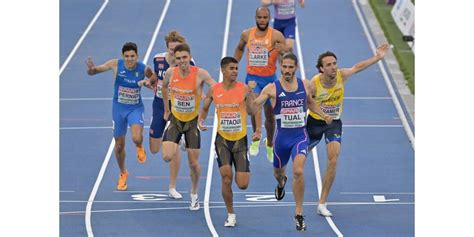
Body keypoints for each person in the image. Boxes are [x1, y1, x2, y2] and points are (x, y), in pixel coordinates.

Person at [248, 53, 329, 231]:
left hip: (300, 137)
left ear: (296, 68)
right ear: (280, 67)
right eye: (284, 67)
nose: (287, 70)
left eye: (290, 67)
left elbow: (311, 103)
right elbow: (252, 109)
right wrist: (248, 93)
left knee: (298, 171)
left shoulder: (306, 85)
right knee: (278, 173)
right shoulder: (271, 89)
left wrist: (323, 115)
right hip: (281, 140)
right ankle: (281, 182)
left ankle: (298, 214)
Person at [307, 44, 390, 217]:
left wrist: (377, 57)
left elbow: (357, 67)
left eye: (334, 63)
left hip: (334, 123)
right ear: (321, 68)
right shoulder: (313, 85)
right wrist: (320, 113)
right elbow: (307, 103)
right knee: (299, 156)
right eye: (328, 65)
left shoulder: (341, 76)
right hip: (314, 122)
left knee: (333, 159)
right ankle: (280, 174)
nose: (333, 67)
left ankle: (322, 203)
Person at [85, 42, 156, 191]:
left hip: (135, 108)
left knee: (136, 137)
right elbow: (95, 71)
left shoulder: (143, 68)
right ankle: (123, 173)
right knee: (119, 145)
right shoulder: (115, 64)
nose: (130, 59)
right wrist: (91, 69)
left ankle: (139, 145)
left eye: (132, 56)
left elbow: (154, 80)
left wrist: (147, 82)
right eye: (127, 56)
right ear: (123, 56)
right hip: (118, 109)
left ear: (137, 56)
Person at [198, 56, 254, 227]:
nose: (235, 72)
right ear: (222, 70)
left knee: (242, 184)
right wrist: (201, 120)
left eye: (237, 69)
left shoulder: (244, 89)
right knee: (226, 177)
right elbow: (206, 107)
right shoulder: (214, 90)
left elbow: (251, 111)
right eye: (232, 68)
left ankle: (234, 201)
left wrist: (250, 94)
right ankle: (231, 214)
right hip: (222, 140)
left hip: (240, 141)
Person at [161, 43, 216, 210]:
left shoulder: (200, 74)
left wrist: (205, 109)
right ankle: (180, 139)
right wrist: (166, 109)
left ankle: (194, 193)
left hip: (192, 123)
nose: (182, 61)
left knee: (193, 163)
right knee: (167, 156)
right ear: (175, 60)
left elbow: (215, 87)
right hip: (176, 120)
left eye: (184, 57)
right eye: (178, 58)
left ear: (190, 57)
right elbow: (163, 87)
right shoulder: (171, 72)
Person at [234, 6, 287, 163]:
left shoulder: (276, 35)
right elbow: (239, 48)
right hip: (253, 78)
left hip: (270, 79)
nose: (262, 20)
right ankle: (256, 135)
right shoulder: (246, 34)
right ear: (255, 18)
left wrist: (282, 51)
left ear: (269, 18)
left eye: (265, 18)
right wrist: (233, 65)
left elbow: (286, 57)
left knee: (270, 116)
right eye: (260, 18)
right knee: (254, 107)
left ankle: (270, 143)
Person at [149, 30, 196, 199]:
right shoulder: (158, 59)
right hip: (158, 106)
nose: (175, 54)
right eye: (171, 50)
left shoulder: (187, 62)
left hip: (176, 108)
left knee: (172, 149)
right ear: (167, 49)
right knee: (154, 149)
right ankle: (172, 138)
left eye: (177, 51)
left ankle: (172, 186)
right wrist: (150, 81)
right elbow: (155, 76)